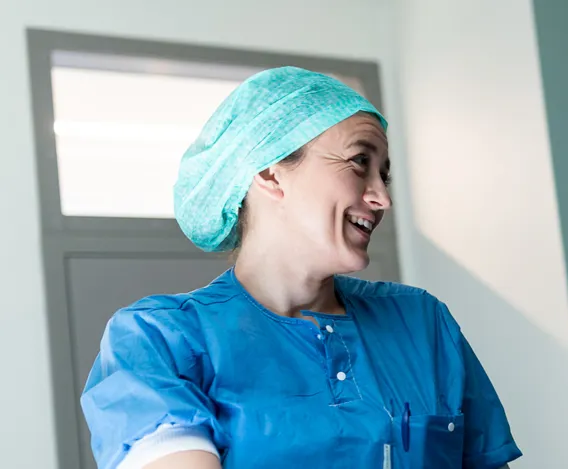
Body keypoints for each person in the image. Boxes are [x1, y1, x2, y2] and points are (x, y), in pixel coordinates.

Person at [81, 67, 520, 469]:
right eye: (359, 162)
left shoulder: (422, 323)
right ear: (270, 173)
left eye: (383, 175)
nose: (382, 198)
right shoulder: (159, 340)